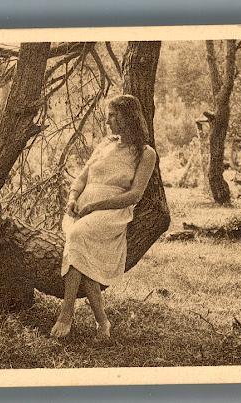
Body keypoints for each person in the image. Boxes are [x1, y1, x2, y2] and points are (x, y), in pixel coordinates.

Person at [50, 94, 157, 340]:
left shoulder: (145, 153)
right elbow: (82, 177)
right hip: (83, 210)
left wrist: (96, 206)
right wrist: (73, 199)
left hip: (112, 213)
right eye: (108, 115)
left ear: (128, 117)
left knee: (77, 235)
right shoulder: (105, 144)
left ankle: (66, 314)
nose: (108, 122)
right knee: (82, 256)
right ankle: (103, 322)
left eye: (113, 116)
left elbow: (135, 195)